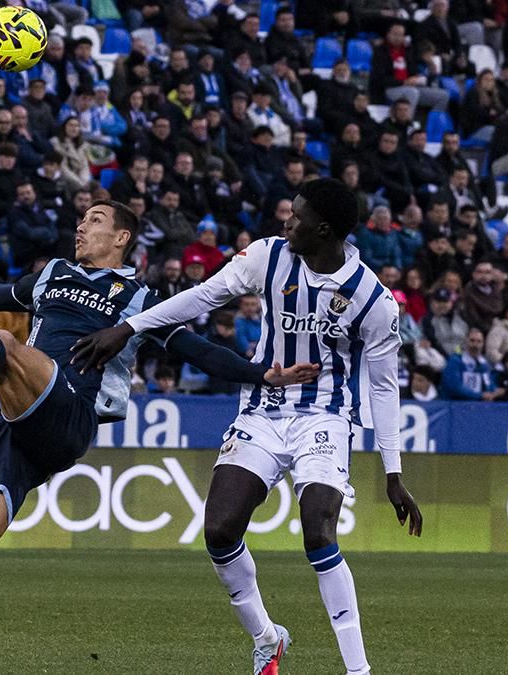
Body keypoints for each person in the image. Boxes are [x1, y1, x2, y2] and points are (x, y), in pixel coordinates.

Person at [0, 200, 316, 675]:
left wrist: (261, 375)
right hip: (17, 420)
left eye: (95, 220)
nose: (81, 227)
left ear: (122, 238)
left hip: (71, 413)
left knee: (5, 346)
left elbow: (198, 351)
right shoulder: (53, 273)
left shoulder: (140, 298)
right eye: (81, 220)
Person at [72, 179, 422, 675]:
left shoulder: (373, 300)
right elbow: (201, 296)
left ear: (324, 230)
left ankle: (358, 670)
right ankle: (266, 637)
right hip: (262, 410)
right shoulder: (267, 257)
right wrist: (130, 326)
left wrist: (393, 472)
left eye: (297, 216)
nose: (287, 221)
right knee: (219, 529)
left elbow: (384, 387)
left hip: (323, 417)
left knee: (318, 531)